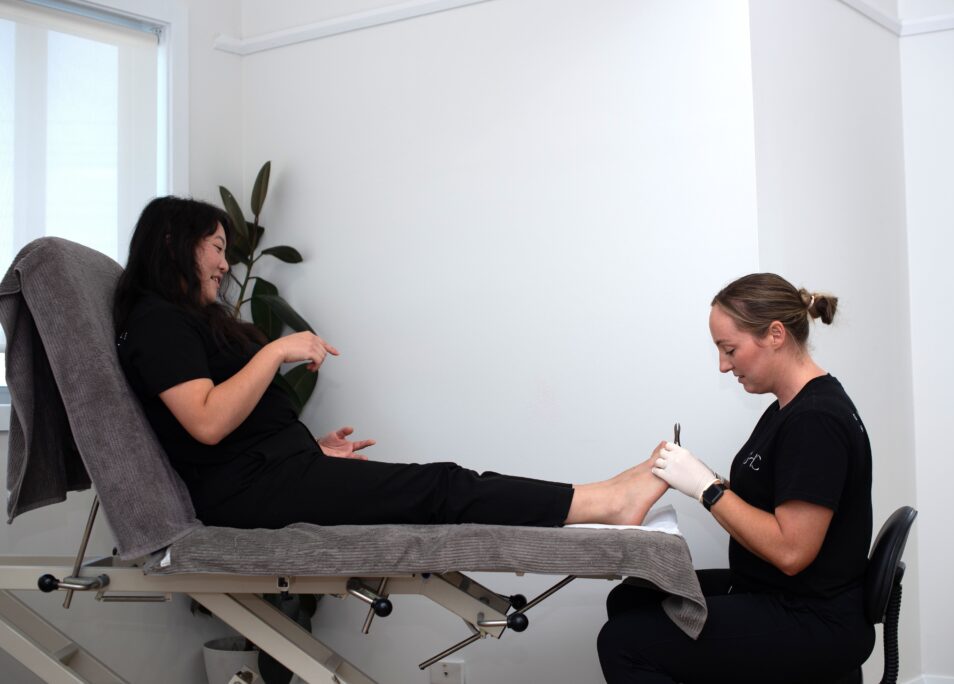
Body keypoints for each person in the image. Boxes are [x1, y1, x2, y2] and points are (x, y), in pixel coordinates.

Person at [114, 196, 667, 531]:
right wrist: (276, 350)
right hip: (248, 493)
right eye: (216, 246)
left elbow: (228, 428)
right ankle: (604, 502)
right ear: (174, 243)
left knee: (442, 485)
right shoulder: (157, 321)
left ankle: (602, 493)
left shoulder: (185, 320)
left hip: (270, 475)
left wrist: (309, 450)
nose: (225, 263)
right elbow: (207, 422)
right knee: (441, 487)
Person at [597, 274, 874, 683]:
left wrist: (707, 490)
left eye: (730, 350)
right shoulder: (788, 408)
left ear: (775, 335)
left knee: (621, 641)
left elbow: (792, 552)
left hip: (813, 616)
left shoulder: (816, 420)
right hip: (778, 593)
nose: (724, 365)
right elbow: (767, 498)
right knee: (630, 598)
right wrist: (699, 476)